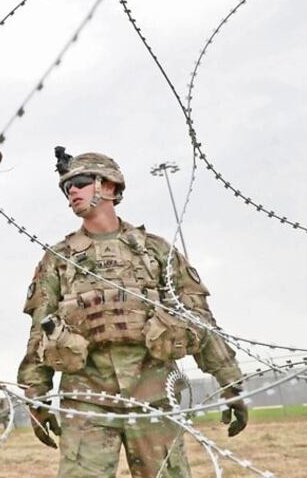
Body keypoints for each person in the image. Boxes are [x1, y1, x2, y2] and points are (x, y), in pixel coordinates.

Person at [17, 148, 248, 477]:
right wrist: (35, 394)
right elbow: (41, 329)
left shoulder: (155, 251)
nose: (72, 191)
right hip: (86, 396)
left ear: (109, 187)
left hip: (153, 391)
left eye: (80, 182)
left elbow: (198, 317)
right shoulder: (58, 259)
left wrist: (230, 381)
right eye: (66, 187)